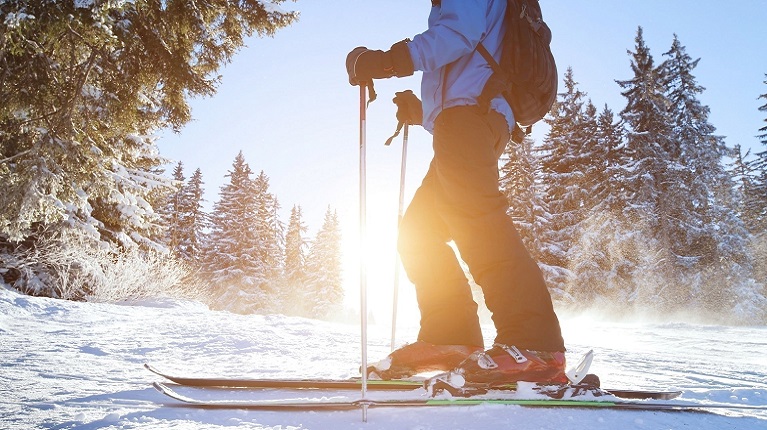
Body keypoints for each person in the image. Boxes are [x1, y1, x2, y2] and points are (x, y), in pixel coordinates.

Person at [346, 0, 566, 386]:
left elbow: (455, 36)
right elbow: (471, 60)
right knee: (418, 232)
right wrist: (423, 110)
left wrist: (386, 62)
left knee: (476, 220)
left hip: (470, 118)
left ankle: (535, 346)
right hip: (467, 118)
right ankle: (451, 337)